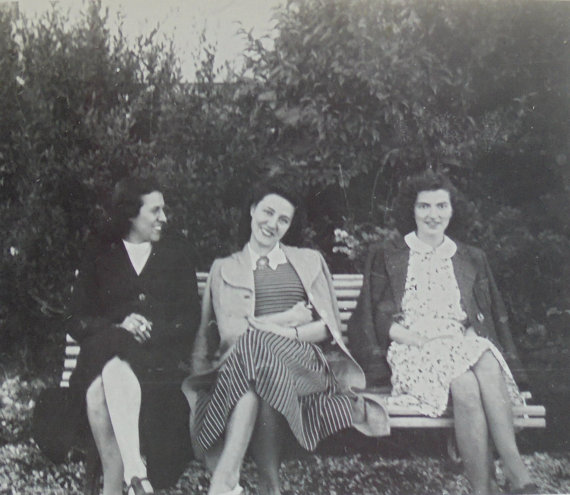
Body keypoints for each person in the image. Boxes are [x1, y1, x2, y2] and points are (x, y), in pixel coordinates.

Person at [183, 178, 389, 495]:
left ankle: (224, 479)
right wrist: (286, 317)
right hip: (245, 365)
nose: (272, 224)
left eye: (283, 219)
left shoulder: (308, 261)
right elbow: (229, 332)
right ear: (252, 210)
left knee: (256, 351)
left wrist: (287, 331)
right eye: (267, 212)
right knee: (256, 378)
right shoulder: (224, 268)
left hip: (302, 364)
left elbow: (326, 328)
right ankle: (269, 487)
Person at [348, 170, 537, 495]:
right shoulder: (388, 254)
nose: (433, 215)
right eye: (424, 206)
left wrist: (465, 339)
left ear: (452, 210)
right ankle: (498, 483)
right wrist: (422, 341)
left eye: (441, 206)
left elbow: (483, 319)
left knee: (486, 359)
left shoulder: (470, 257)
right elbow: (378, 321)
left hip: (460, 344)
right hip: (413, 349)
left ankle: (507, 474)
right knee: (464, 383)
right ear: (412, 210)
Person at [65, 177, 200, 495]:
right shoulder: (101, 254)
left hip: (157, 369)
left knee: (100, 392)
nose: (163, 218)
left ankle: (125, 481)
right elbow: (76, 320)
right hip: (104, 354)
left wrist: (150, 330)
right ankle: (137, 477)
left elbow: (189, 318)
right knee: (113, 364)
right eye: (155, 211)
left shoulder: (176, 253)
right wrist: (119, 325)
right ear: (130, 214)